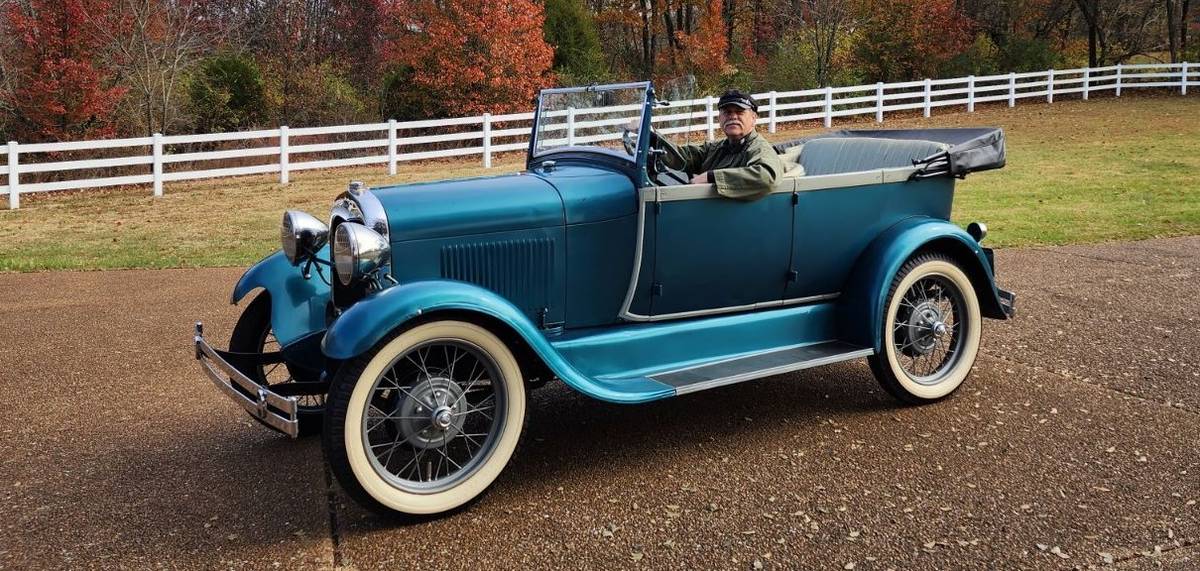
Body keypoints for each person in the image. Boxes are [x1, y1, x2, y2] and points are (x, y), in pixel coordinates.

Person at [647, 89, 785, 200]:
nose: (733, 116)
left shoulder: (758, 148)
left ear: (754, 118)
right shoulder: (718, 148)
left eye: (739, 112)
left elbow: (767, 176)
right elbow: (685, 157)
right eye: (727, 112)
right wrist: (652, 138)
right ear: (720, 118)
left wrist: (711, 177)